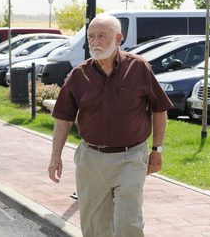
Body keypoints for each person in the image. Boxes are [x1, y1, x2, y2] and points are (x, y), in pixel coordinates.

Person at [48, 14, 173, 237]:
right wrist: (55, 157)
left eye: (101, 36)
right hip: (91, 160)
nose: (95, 42)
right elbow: (64, 119)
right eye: (91, 36)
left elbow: (159, 109)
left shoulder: (139, 68)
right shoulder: (79, 75)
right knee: (95, 228)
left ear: (118, 39)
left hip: (131, 158)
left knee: (128, 224)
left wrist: (157, 150)